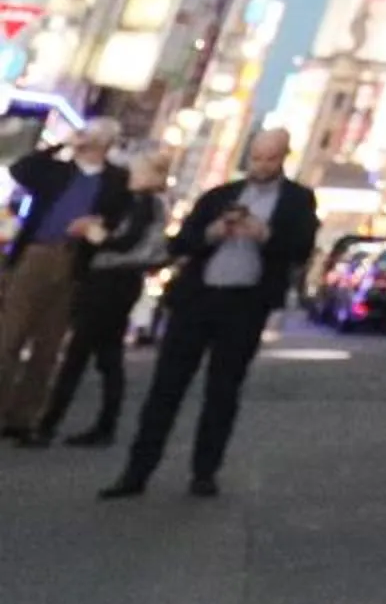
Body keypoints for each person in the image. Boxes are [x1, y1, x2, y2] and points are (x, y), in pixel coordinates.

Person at [102, 127, 317, 500]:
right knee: (165, 387)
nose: (262, 165)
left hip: (246, 305)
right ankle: (137, 470)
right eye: (258, 157)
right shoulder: (220, 196)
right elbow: (182, 241)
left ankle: (204, 471)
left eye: (271, 158)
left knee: (223, 390)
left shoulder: (297, 200)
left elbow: (300, 249)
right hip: (197, 300)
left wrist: (264, 234)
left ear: (283, 159)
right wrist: (214, 231)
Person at [1, 118, 131, 443]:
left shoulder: (116, 180)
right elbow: (20, 169)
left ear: (105, 142)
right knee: (9, 336)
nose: (83, 139)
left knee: (49, 344)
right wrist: (59, 145)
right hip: (37, 253)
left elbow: (120, 217)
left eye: (89, 134)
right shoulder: (57, 170)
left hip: (76, 261)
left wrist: (97, 226)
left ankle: (24, 417)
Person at [35, 148, 172, 448]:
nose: (128, 176)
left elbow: (125, 241)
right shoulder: (151, 203)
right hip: (121, 282)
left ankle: (48, 424)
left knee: (79, 354)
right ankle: (104, 424)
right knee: (107, 356)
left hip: (111, 281)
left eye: (134, 170)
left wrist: (95, 233)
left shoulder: (145, 203)